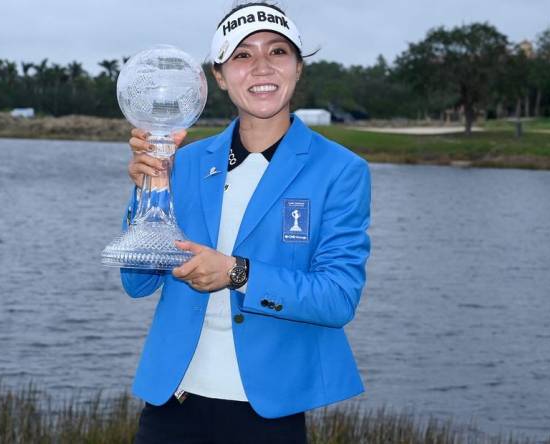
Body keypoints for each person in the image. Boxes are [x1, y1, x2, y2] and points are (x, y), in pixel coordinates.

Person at [120, 2, 371, 443]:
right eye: (242, 55)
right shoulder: (184, 162)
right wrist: (148, 190)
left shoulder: (340, 170)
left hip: (268, 412)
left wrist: (237, 273)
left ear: (297, 68)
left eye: (277, 52)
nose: (261, 67)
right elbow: (137, 282)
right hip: (171, 406)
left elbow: (337, 298)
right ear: (218, 76)